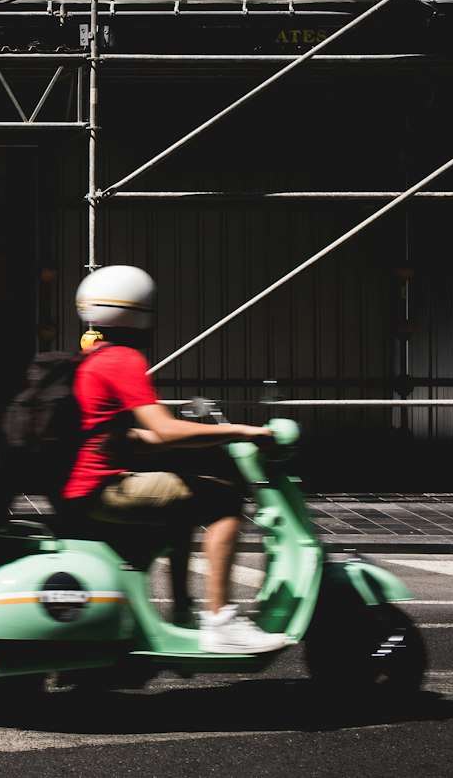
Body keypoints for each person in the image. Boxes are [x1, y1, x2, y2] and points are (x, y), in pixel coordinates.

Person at [59, 265, 290, 655]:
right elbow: (164, 429)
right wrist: (244, 431)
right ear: (139, 312)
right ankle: (221, 620)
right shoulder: (123, 359)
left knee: (182, 501)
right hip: (101, 487)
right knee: (224, 499)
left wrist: (186, 444)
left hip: (80, 486)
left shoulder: (92, 359)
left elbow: (129, 436)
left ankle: (184, 612)